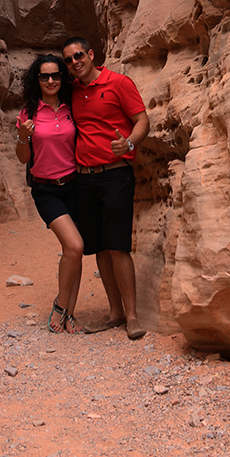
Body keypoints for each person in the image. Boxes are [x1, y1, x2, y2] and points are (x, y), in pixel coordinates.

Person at [61, 36, 150, 340]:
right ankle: (115, 313)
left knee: (118, 245)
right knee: (99, 246)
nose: (75, 62)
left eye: (78, 55)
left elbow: (142, 120)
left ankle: (133, 317)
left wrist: (129, 143)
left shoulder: (119, 83)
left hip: (115, 175)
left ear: (90, 54)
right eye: (69, 60)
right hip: (85, 179)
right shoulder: (73, 91)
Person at [16, 54, 84, 333]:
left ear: (62, 77)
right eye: (44, 76)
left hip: (75, 185)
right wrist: (23, 135)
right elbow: (23, 157)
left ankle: (70, 313)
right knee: (75, 246)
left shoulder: (72, 107)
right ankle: (60, 305)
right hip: (46, 190)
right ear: (37, 79)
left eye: (56, 75)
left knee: (75, 251)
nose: (51, 80)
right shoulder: (28, 113)